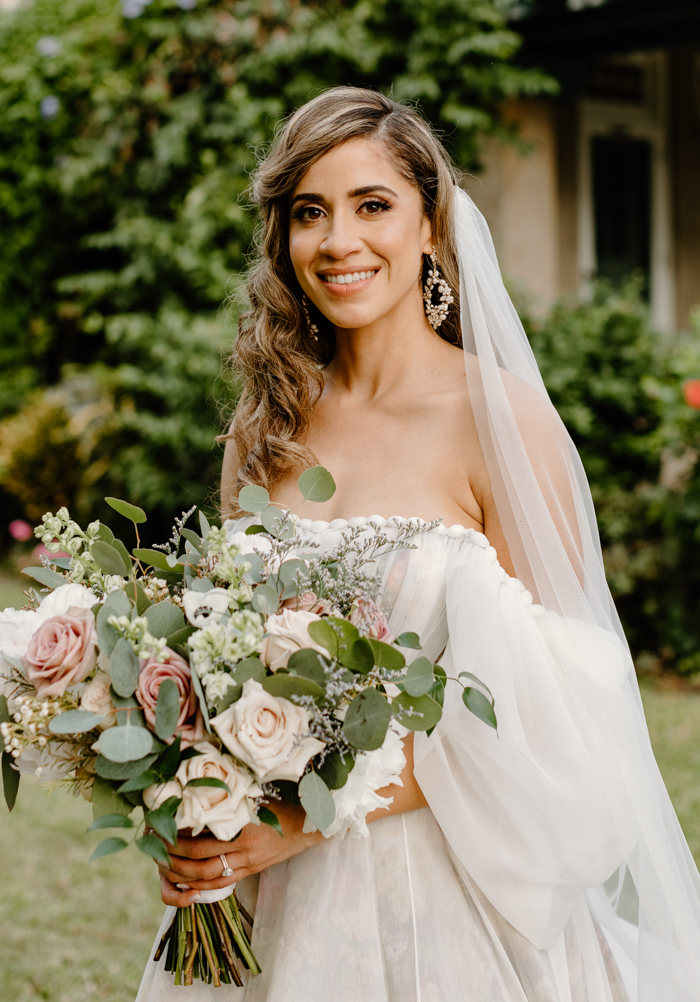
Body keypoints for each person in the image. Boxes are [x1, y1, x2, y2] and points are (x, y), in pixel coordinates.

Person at [137, 88, 700, 1002]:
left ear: (432, 226)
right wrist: (193, 792)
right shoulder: (266, 424)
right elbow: (221, 649)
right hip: (265, 885)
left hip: (444, 894)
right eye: (309, 212)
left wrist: (308, 819)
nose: (338, 241)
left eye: (372, 206)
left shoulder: (501, 422)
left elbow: (559, 708)